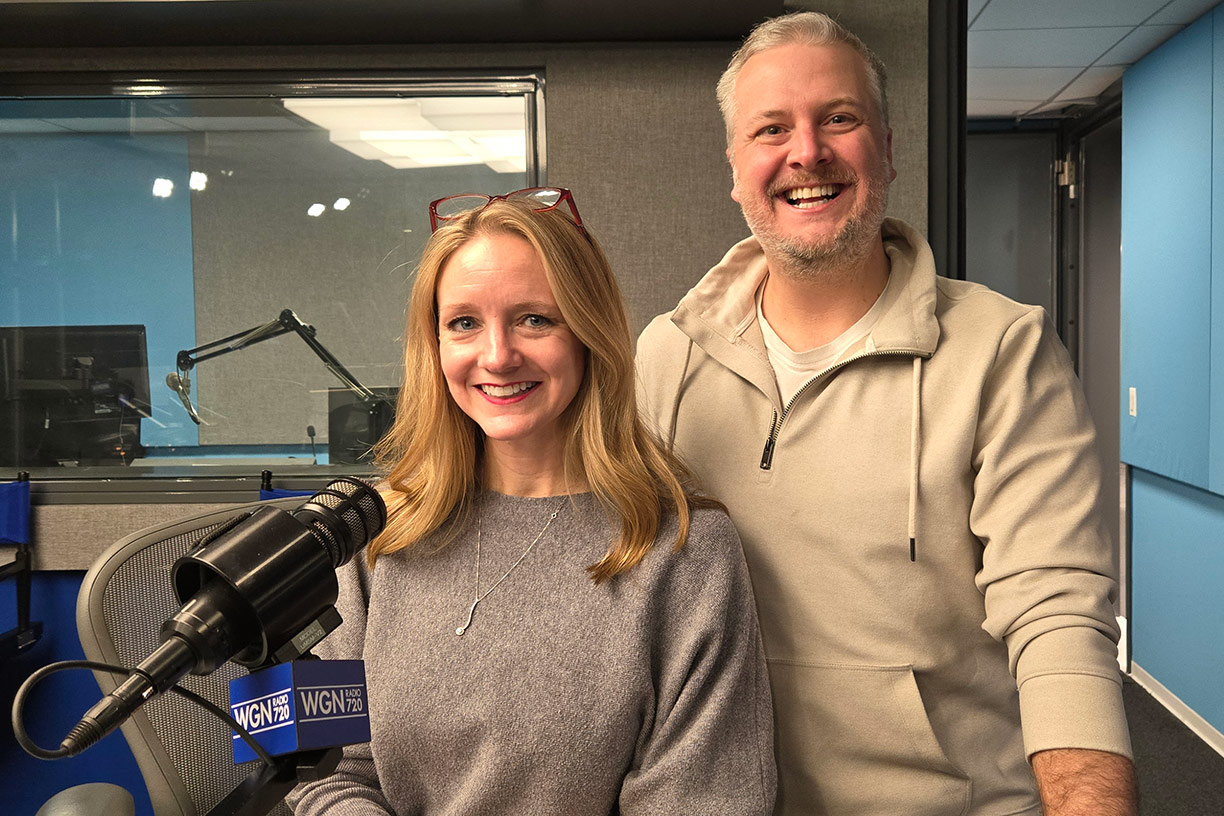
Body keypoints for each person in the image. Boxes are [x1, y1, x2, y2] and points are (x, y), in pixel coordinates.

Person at [635, 12, 1136, 816]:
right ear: (734, 168)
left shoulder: (1001, 351)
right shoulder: (668, 356)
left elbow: (1057, 615)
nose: (807, 152)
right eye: (772, 129)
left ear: (889, 148)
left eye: (839, 118)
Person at [289, 188, 776, 815]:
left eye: (534, 319)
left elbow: (707, 801)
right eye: (464, 322)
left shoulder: (683, 549)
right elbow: (318, 770)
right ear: (434, 346)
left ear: (588, 335)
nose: (497, 355)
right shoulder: (373, 532)